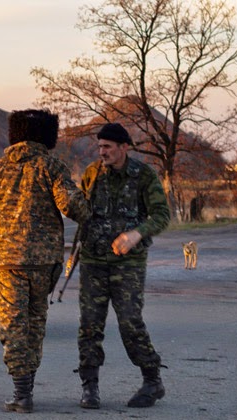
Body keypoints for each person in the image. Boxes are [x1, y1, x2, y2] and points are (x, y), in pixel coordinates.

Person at [0, 109, 90, 413]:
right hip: (44, 261)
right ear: (46, 136)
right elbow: (69, 204)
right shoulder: (51, 166)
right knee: (35, 323)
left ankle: (21, 391)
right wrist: (93, 211)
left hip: (6, 261)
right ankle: (27, 386)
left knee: (13, 325)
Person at [75, 122, 170, 409]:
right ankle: (90, 386)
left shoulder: (143, 176)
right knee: (90, 325)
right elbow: (81, 210)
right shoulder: (92, 174)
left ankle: (152, 380)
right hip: (93, 260)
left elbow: (162, 215)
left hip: (128, 263)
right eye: (100, 146)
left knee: (130, 321)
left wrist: (137, 233)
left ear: (123, 148)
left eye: (107, 147)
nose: (101, 151)